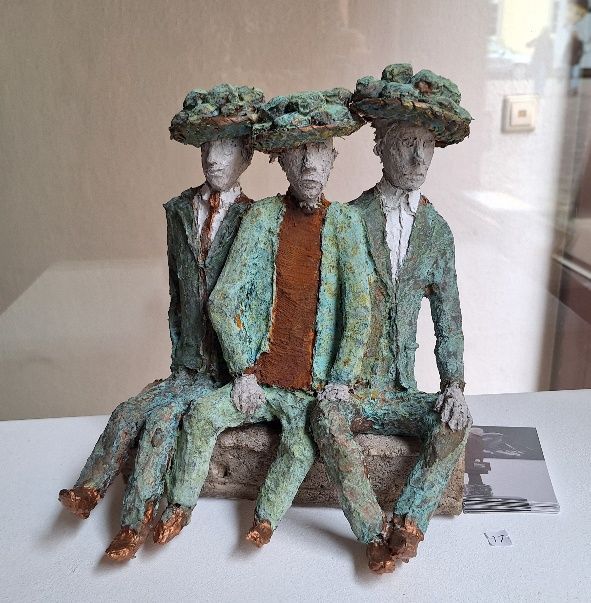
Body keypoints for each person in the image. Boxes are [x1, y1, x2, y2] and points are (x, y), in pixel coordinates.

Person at [152, 89, 371, 548]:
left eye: (319, 152)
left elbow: (359, 312)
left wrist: (340, 378)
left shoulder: (346, 223)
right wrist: (244, 371)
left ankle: (264, 521)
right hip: (256, 379)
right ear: (280, 161)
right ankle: (178, 508)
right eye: (297, 154)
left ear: (333, 159)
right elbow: (223, 300)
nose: (309, 165)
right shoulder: (263, 217)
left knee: (299, 445)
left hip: (311, 388)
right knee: (201, 416)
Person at [58, 84, 264, 561]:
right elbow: (177, 289)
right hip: (187, 362)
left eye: (226, 147)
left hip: (226, 368)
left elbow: (257, 301)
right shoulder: (178, 211)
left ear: (247, 155)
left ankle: (134, 524)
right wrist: (179, 352)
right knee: (127, 411)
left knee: (163, 422)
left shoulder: (256, 219)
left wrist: (246, 367)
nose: (214, 158)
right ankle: (89, 489)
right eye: (207, 147)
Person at [311, 65, 473, 573]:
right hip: (353, 388)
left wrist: (454, 385)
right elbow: (325, 306)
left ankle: (407, 524)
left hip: (403, 391)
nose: (417, 157)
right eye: (405, 143)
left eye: (426, 145)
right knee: (323, 419)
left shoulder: (436, 232)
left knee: (455, 423)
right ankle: (372, 532)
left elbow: (448, 317)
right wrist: (330, 380)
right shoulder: (347, 219)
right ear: (380, 146)